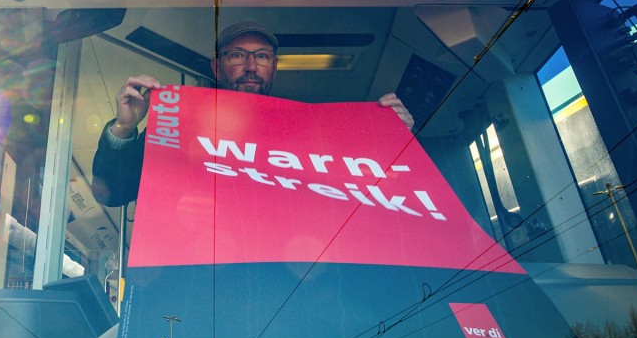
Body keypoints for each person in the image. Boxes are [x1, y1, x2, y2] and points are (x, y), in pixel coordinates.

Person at [91, 20, 415, 206]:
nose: (250, 67)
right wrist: (123, 126)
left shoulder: (308, 127)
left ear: (273, 68)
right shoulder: (182, 123)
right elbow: (114, 194)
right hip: (203, 275)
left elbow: (373, 194)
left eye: (261, 57)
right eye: (237, 56)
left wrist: (396, 141)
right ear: (217, 67)